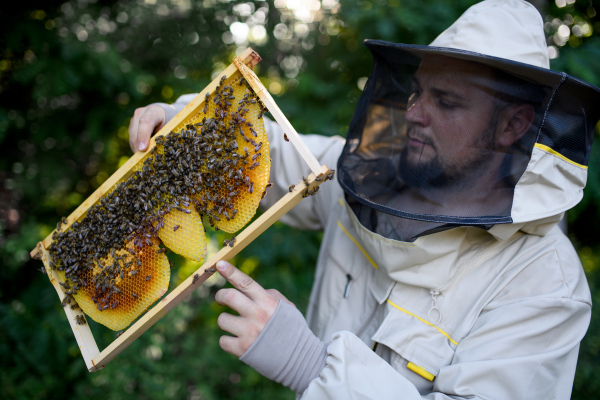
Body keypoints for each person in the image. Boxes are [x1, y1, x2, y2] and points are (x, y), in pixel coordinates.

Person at [128, 0, 600, 398]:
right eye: (417, 93)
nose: (415, 114)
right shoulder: (366, 173)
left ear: (513, 125)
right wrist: (181, 119)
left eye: (448, 102)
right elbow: (268, 153)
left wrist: (312, 367)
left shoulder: (544, 287)